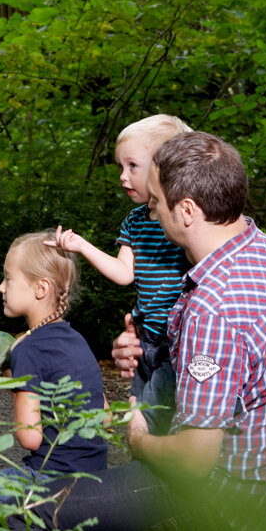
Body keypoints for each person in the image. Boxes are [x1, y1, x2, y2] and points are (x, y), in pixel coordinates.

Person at [12, 131, 266, 531]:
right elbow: (226, 365)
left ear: (188, 211)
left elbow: (193, 462)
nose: (149, 210)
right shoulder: (263, 251)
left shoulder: (213, 304)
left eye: (155, 201)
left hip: (226, 504)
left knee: (23, 511)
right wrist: (141, 348)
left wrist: (138, 438)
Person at [49, 114, 192, 433]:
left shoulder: (188, 219)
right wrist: (82, 246)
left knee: (157, 421)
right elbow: (124, 273)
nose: (123, 177)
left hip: (178, 343)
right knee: (138, 420)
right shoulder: (136, 221)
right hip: (145, 340)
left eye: (133, 166)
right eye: (120, 167)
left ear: (162, 168)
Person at [0, 230, 108, 479]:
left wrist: (18, 386)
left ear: (41, 288)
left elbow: (30, 437)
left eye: (8, 278)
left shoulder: (27, 348)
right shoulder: (78, 341)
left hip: (49, 478)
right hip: (94, 479)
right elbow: (106, 418)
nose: (1, 287)